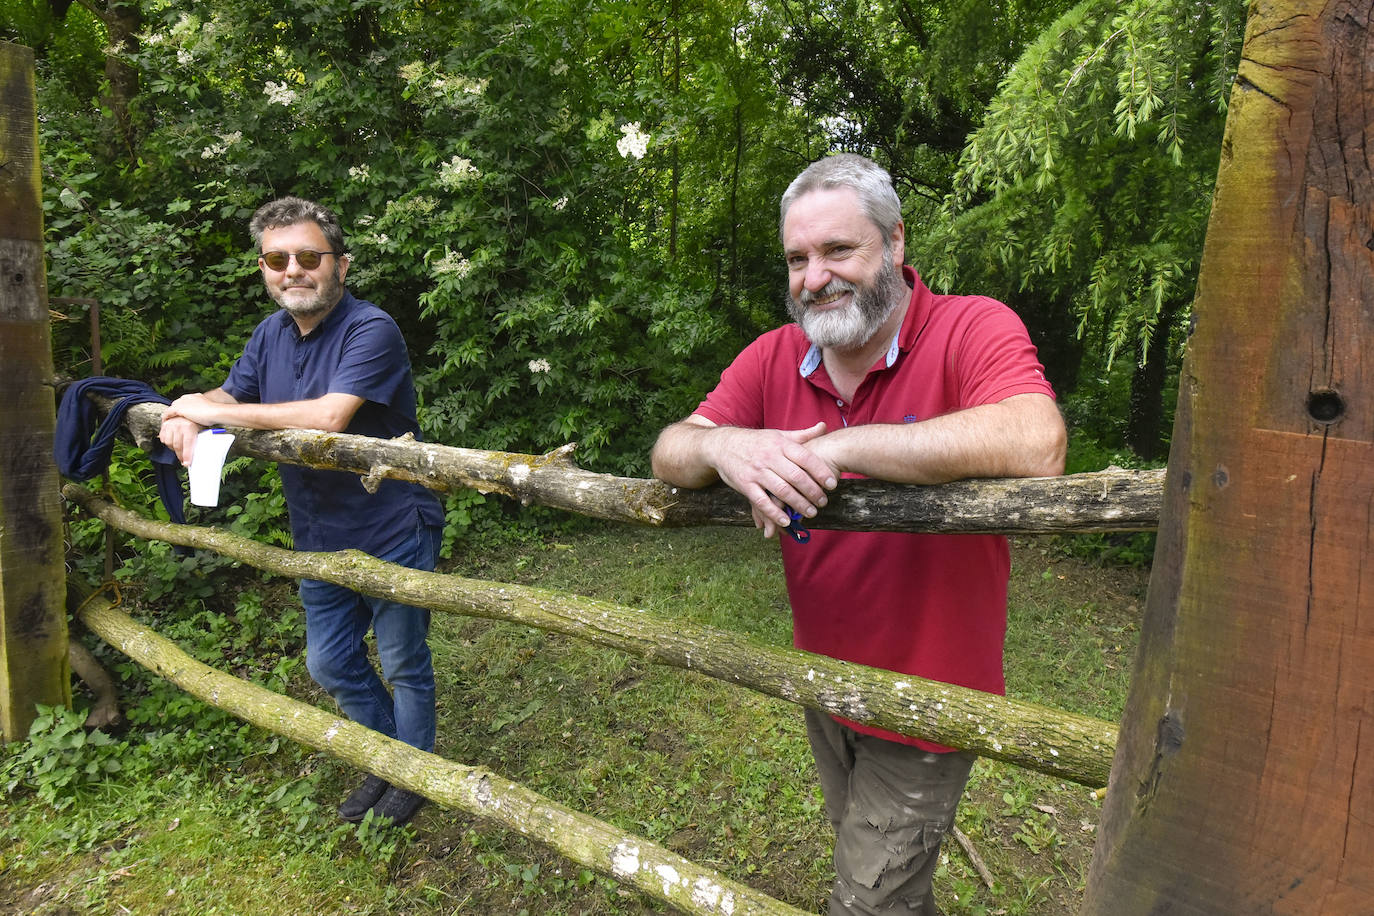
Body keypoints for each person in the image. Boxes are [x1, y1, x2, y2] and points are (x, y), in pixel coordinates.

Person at [650, 154, 1066, 915]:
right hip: (826, 683)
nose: (814, 278)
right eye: (797, 258)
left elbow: (1037, 439)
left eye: (838, 250)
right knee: (878, 872)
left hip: (929, 697)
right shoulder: (775, 355)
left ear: (896, 243)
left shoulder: (971, 325)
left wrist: (838, 447)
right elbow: (672, 446)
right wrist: (724, 447)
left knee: (868, 900)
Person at [159, 196, 445, 828]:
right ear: (264, 268)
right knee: (329, 661)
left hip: (391, 525)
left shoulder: (372, 329)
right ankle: (384, 755)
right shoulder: (271, 334)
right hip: (316, 531)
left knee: (401, 660)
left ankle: (414, 770)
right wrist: (183, 410)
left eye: (308, 257)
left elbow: (328, 417)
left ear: (340, 264)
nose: (293, 270)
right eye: (276, 258)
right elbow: (229, 396)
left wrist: (211, 414)